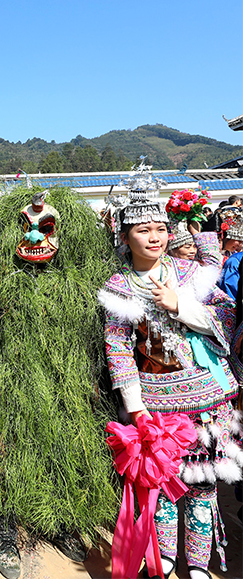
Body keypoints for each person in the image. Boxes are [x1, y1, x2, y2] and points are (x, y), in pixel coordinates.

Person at [0, 186, 119, 579]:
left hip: (63, 381)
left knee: (60, 443)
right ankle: (7, 528)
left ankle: (58, 519)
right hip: (13, 380)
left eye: (47, 229)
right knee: (7, 449)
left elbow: (90, 335)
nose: (34, 238)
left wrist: (91, 379)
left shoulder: (78, 285)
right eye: (26, 229)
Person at [99, 165, 243, 579]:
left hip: (206, 395)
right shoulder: (118, 287)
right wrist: (135, 406)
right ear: (124, 237)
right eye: (143, 230)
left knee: (202, 483)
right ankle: (162, 558)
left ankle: (198, 563)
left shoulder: (190, 274)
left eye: (160, 227)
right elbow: (118, 350)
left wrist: (182, 305)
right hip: (157, 401)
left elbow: (228, 317)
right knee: (161, 485)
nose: (155, 237)